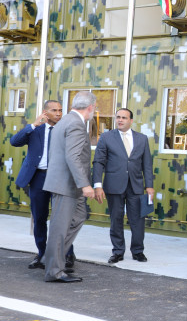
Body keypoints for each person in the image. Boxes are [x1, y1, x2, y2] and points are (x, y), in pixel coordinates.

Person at [10, 99, 75, 271]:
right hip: (38, 177)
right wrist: (33, 125)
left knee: (62, 219)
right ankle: (42, 254)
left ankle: (67, 254)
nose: (58, 113)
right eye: (54, 110)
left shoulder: (66, 129)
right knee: (39, 217)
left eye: (60, 110)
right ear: (45, 113)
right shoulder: (35, 130)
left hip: (60, 178)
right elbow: (14, 141)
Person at [42, 91, 98, 283]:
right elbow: (73, 157)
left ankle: (52, 258)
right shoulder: (75, 124)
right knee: (60, 228)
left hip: (67, 184)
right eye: (94, 108)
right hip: (67, 184)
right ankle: (54, 271)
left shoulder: (65, 120)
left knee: (79, 217)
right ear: (90, 107)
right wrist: (85, 185)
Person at [92, 108, 155, 264]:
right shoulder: (106, 137)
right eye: (118, 117)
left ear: (131, 121)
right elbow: (98, 162)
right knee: (116, 219)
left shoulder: (142, 139)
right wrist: (98, 185)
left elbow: (147, 164)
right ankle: (118, 252)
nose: (120, 120)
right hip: (114, 185)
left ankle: (138, 251)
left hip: (136, 185)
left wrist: (149, 186)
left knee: (138, 220)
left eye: (124, 118)